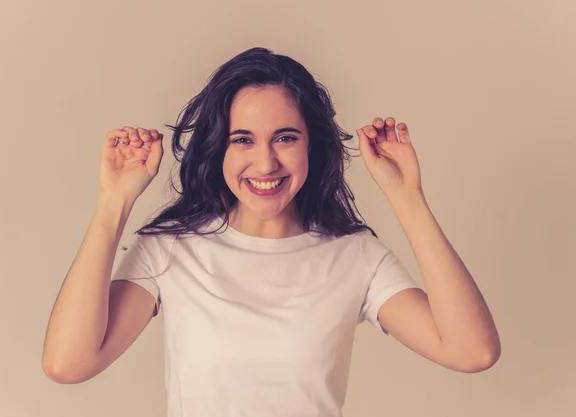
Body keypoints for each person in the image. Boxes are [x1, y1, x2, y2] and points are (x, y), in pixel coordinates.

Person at [42, 47, 500, 416]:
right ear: (218, 148)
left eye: (285, 137)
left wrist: (407, 196)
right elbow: (68, 363)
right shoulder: (170, 249)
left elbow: (472, 351)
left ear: (311, 146)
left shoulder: (356, 257)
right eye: (243, 139)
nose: (265, 164)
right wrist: (114, 202)